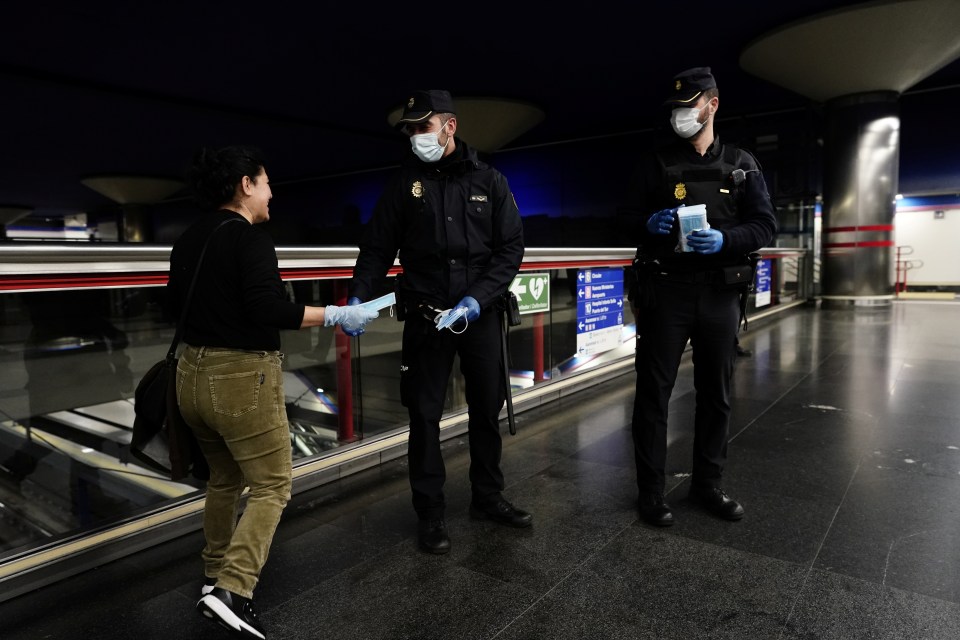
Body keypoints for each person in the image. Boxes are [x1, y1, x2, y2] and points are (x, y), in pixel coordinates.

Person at [169, 145, 378, 640]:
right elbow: (267, 309)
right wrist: (335, 315)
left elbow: (175, 307)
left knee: (223, 478)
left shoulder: (188, 239)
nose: (270, 192)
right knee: (271, 485)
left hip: (190, 376)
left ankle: (212, 575)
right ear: (245, 184)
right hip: (241, 378)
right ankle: (233, 591)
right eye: (265, 182)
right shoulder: (250, 239)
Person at [347, 90, 530, 554]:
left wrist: (476, 298)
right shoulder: (403, 185)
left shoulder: (490, 181)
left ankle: (487, 497)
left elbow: (510, 250)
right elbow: (376, 248)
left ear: (449, 126)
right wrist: (356, 297)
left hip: (480, 316)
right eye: (409, 129)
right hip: (427, 318)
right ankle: (430, 514)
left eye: (421, 127)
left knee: (486, 409)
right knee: (424, 417)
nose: (413, 136)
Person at [622, 68, 777, 527]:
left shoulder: (742, 164)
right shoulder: (654, 163)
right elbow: (623, 218)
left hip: (719, 294)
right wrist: (647, 225)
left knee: (717, 395)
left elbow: (765, 225)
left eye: (688, 106)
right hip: (665, 292)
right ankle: (650, 493)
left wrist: (727, 241)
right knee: (653, 395)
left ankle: (708, 485)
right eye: (674, 109)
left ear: (712, 104)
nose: (679, 115)